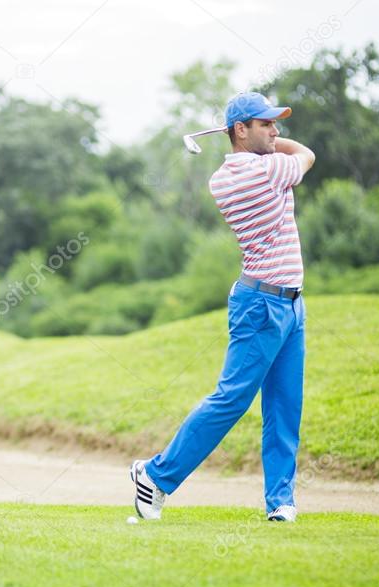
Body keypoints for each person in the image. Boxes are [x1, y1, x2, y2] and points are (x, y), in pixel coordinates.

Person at [131, 92, 316, 522]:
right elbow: (306, 153)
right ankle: (155, 475)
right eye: (266, 124)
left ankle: (280, 502)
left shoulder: (227, 174)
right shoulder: (263, 172)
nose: (275, 131)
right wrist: (280, 143)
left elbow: (282, 149)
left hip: (290, 303)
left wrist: (265, 138)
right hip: (262, 306)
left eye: (275, 124)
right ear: (239, 131)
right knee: (231, 399)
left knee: (285, 406)